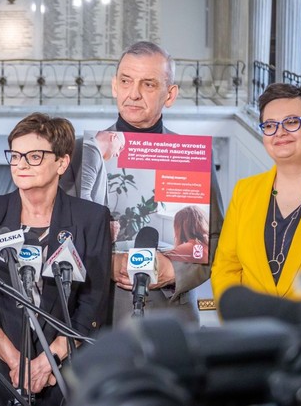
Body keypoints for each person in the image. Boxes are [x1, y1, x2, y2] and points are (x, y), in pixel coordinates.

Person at [60, 41, 225, 324]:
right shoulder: (77, 153)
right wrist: (104, 262)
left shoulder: (191, 156)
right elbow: (56, 232)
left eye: (148, 84)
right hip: (98, 318)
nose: (133, 93)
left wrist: (175, 271)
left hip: (171, 319)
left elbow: (216, 238)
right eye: (126, 81)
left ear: (170, 95)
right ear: (115, 86)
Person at [0, 113, 111, 405]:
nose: (20, 164)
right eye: (15, 156)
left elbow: (92, 303)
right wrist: (16, 362)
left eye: (34, 156)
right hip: (0, 372)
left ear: (62, 163)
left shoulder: (91, 218)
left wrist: (47, 362)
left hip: (66, 373)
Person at [212, 83, 301, 303]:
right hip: (250, 323)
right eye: (270, 125)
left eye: (292, 122)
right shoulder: (245, 191)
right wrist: (238, 316)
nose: (280, 132)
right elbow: (226, 267)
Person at [80, 130, 125, 205]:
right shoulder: (91, 151)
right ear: (113, 137)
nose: (118, 154)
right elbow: (83, 195)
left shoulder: (93, 152)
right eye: (120, 148)